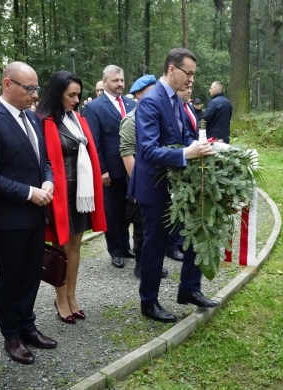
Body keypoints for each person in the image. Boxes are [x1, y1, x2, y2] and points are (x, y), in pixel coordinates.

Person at [0, 61, 57, 365]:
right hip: (10, 218)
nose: (35, 95)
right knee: (10, 279)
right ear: (8, 85)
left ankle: (28, 326)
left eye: (36, 88)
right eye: (28, 88)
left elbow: (42, 159)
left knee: (32, 273)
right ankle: (12, 335)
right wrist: (29, 192)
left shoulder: (31, 119)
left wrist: (47, 180)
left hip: (35, 215)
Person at [128, 48, 220, 323]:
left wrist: (202, 147)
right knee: (155, 245)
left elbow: (184, 136)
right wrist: (186, 154)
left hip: (178, 184)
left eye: (193, 74)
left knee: (195, 233)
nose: (191, 80)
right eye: (188, 73)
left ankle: (189, 290)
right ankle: (149, 302)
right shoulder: (151, 101)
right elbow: (147, 151)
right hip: (154, 187)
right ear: (172, 69)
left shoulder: (177, 100)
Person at [37, 70, 106, 324]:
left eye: (78, 95)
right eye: (71, 95)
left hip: (81, 192)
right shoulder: (45, 121)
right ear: (58, 94)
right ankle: (60, 298)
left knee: (76, 245)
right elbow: (44, 161)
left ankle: (72, 295)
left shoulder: (78, 119)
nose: (76, 100)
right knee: (62, 247)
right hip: (60, 194)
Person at [84, 65, 136, 269]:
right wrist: (102, 169)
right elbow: (94, 142)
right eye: (115, 81)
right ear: (104, 82)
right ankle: (114, 250)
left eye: (122, 80)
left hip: (130, 166)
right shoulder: (94, 107)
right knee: (112, 211)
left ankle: (125, 245)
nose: (120, 84)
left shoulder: (132, 104)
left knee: (127, 209)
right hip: (110, 169)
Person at [119, 74, 168, 279]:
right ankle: (141, 265)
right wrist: (139, 185)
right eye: (150, 90)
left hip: (155, 179)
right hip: (140, 181)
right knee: (140, 226)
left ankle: (151, 263)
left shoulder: (157, 114)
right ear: (139, 94)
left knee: (154, 226)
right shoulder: (131, 120)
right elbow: (127, 152)